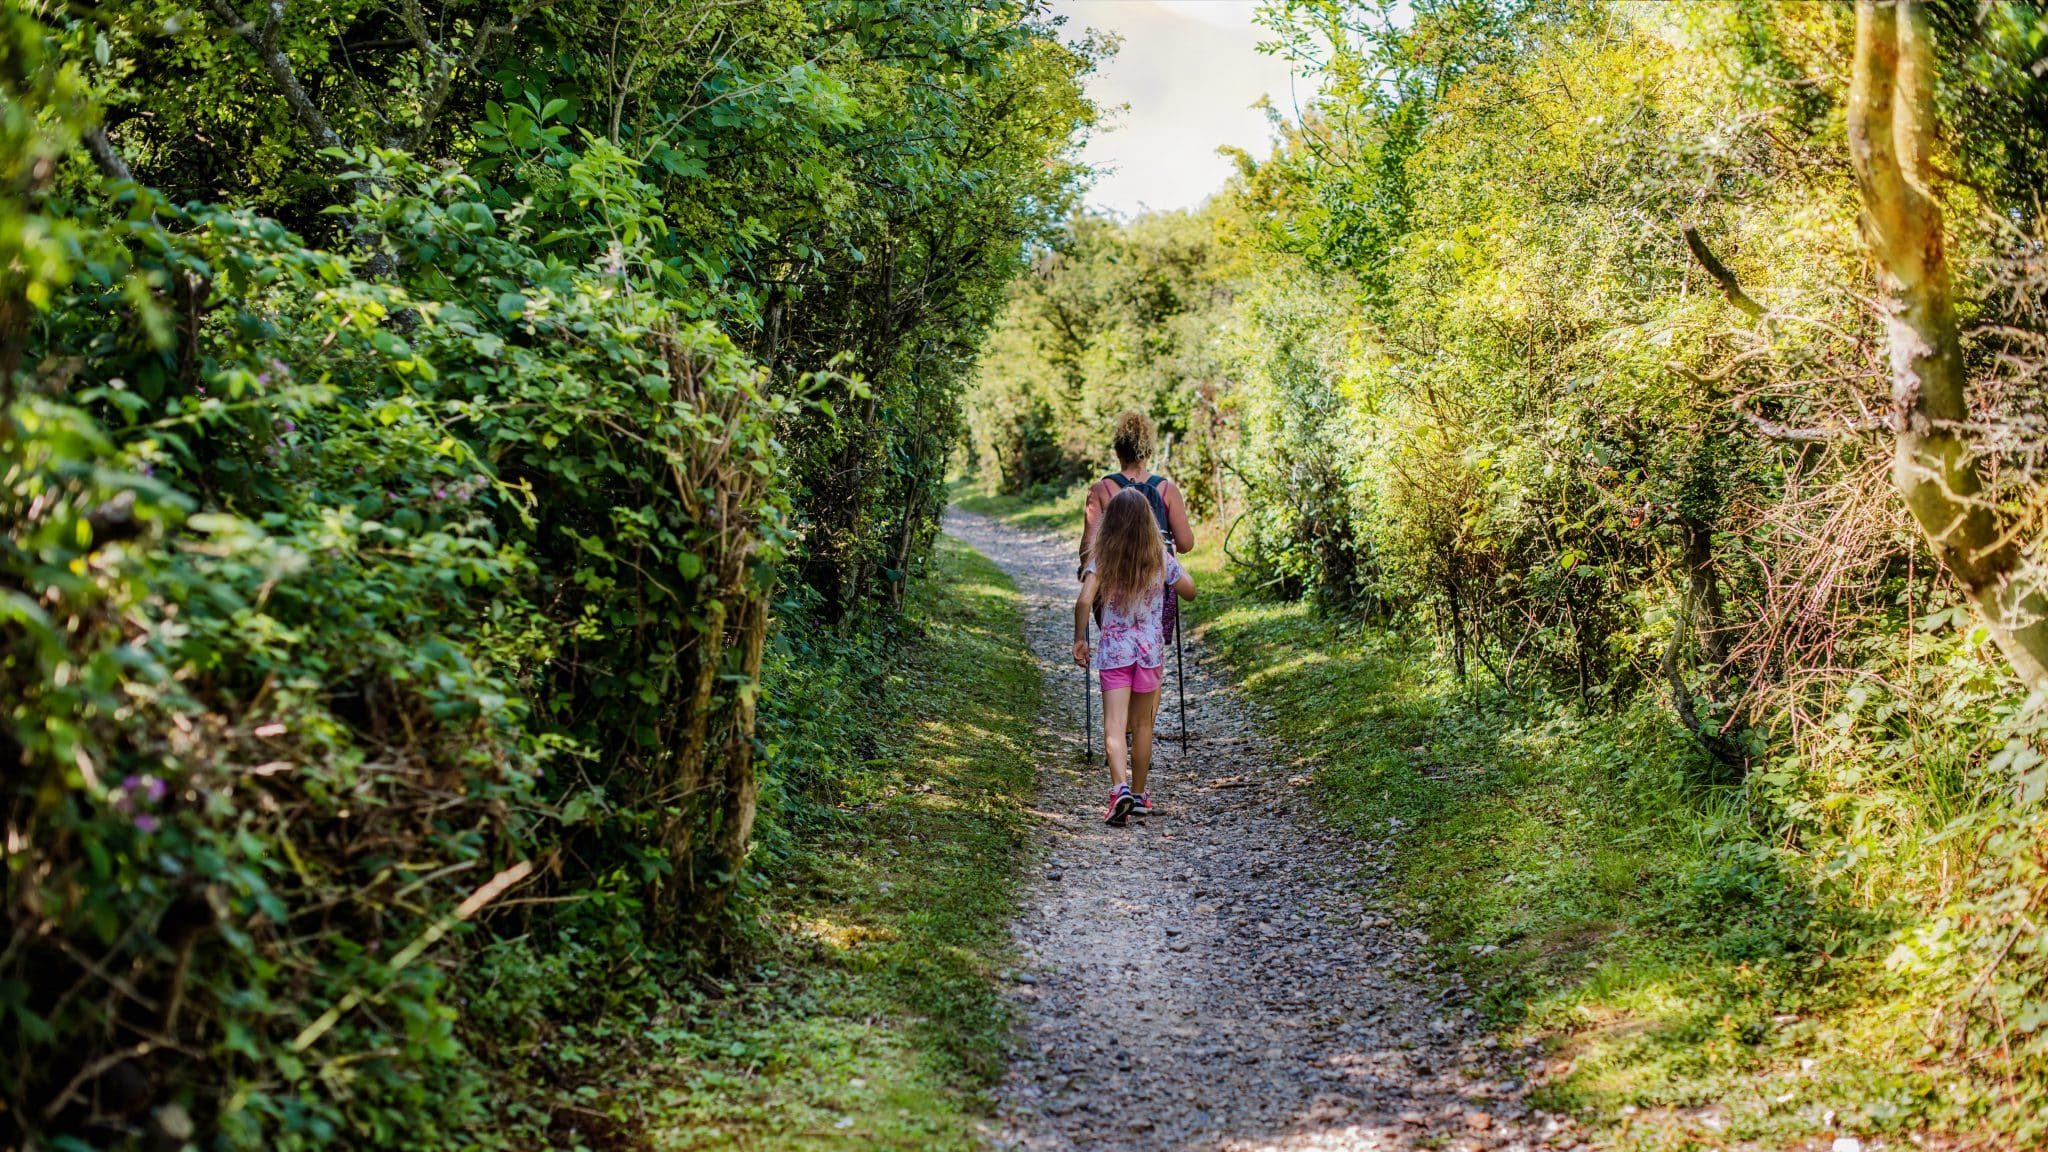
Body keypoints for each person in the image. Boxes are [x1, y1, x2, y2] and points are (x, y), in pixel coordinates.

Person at [1074, 488, 1198, 826]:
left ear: (1110, 524)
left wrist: (1079, 640)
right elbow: (1190, 589)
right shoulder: (1158, 556)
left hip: (1115, 651)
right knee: (1143, 725)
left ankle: (1120, 789)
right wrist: (1172, 570)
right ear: (1148, 523)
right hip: (1149, 651)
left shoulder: (1103, 558)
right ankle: (1140, 795)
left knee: (1115, 724)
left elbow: (1085, 601)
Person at [1079, 411, 1195, 581]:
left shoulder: (1100, 490)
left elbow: (1087, 552)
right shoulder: (1167, 490)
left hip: (1114, 588)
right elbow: (1185, 544)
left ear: (1118, 452)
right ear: (1148, 452)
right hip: (1159, 592)